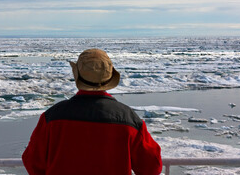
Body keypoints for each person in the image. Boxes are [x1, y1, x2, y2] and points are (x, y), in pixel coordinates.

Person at [22, 48, 162, 175]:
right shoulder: (128, 119)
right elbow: (152, 167)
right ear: (109, 77)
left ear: (77, 75)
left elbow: (33, 162)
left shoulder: (52, 117)